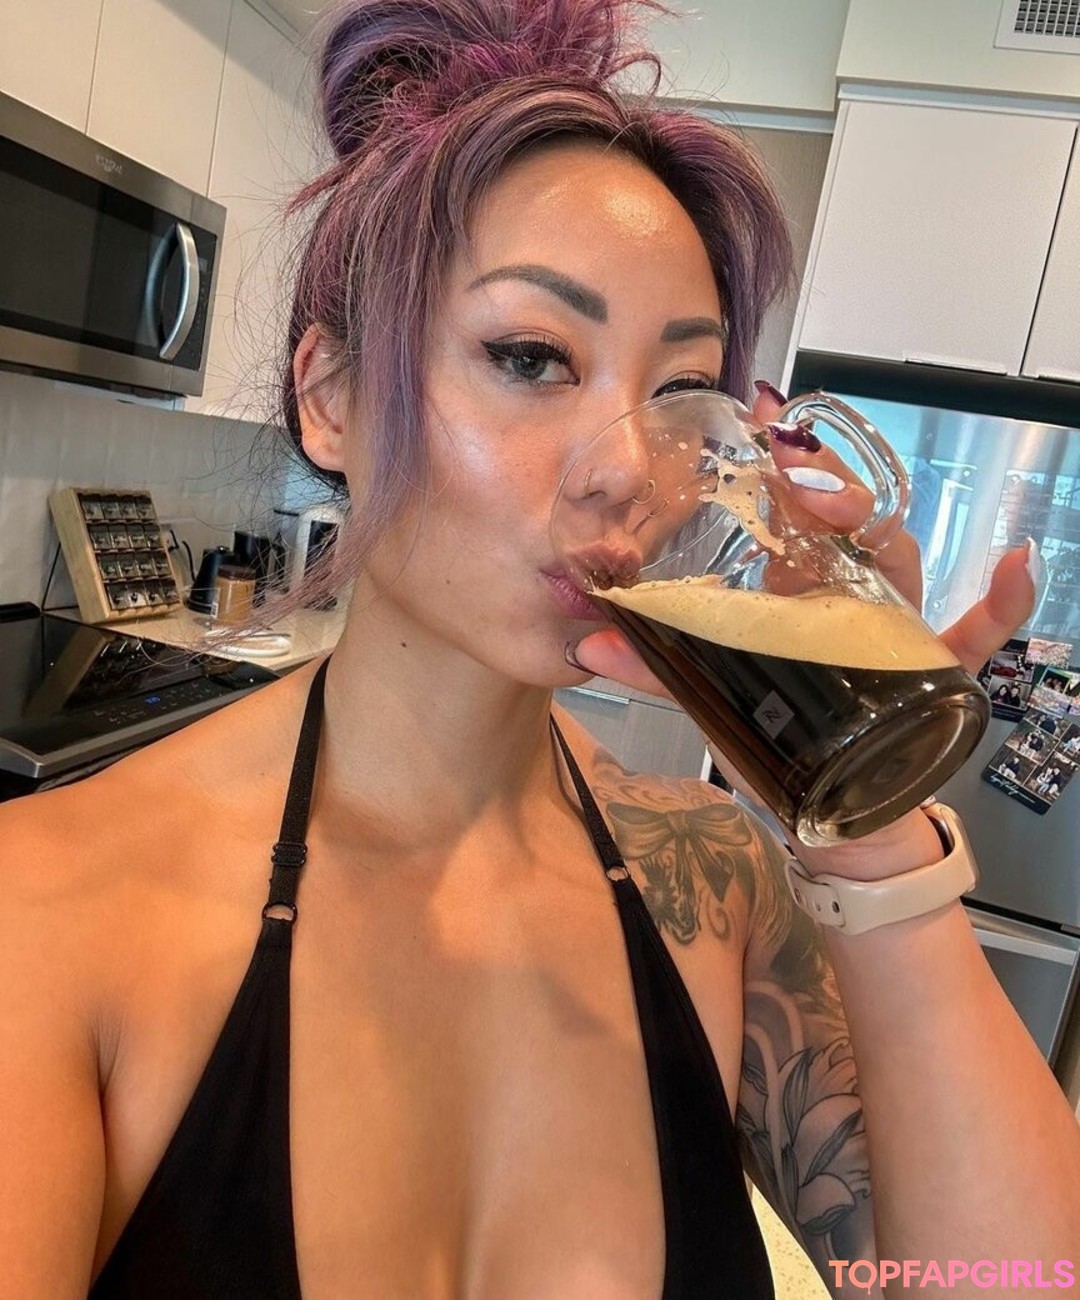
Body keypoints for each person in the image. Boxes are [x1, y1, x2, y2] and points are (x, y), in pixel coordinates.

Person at [2, 2, 1078, 1296]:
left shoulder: (715, 887)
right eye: (530, 356)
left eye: (680, 395)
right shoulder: (48, 914)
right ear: (331, 396)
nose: (628, 469)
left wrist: (875, 829)